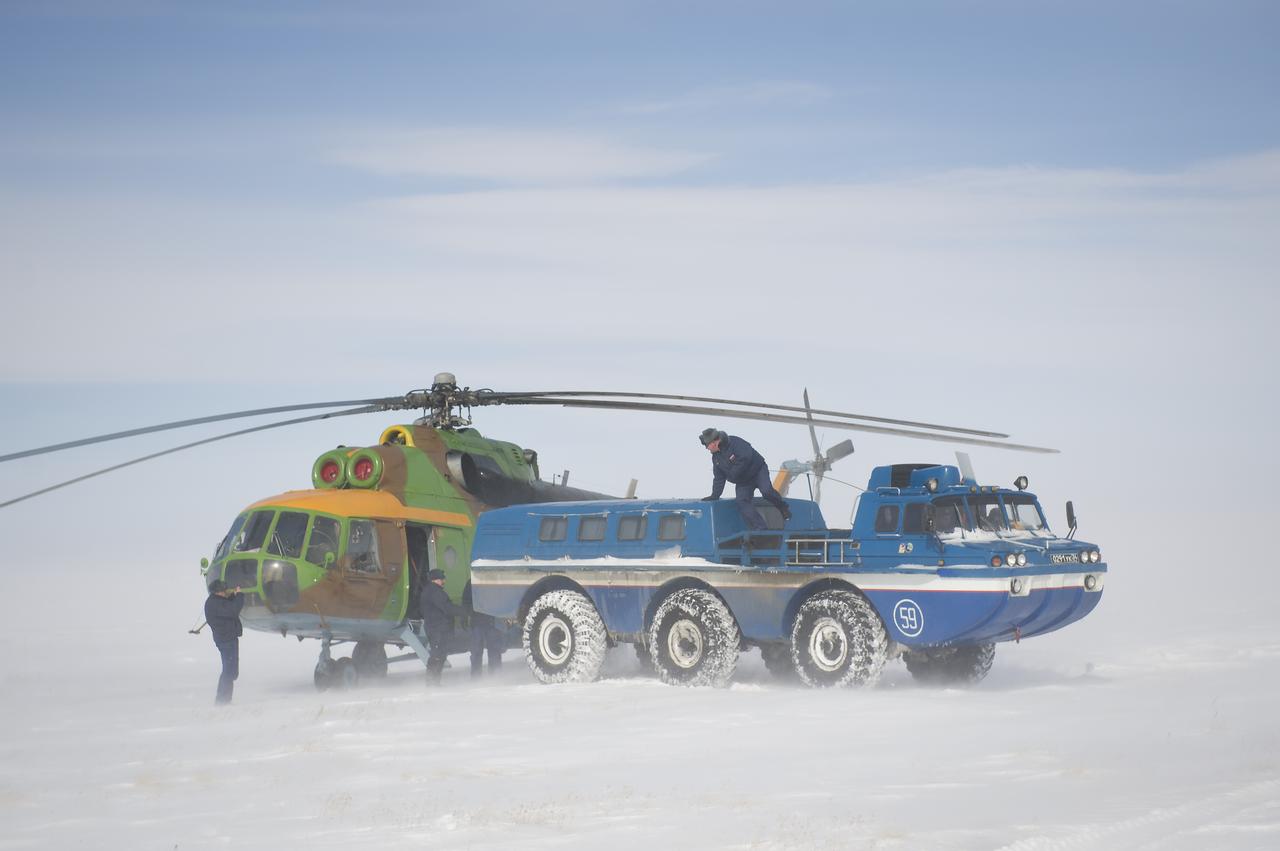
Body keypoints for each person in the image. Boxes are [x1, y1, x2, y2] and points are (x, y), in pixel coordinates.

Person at [699, 427, 792, 530]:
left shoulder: (734, 442)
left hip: (758, 471)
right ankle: (761, 528)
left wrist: (732, 474)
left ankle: (783, 507)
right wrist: (714, 495)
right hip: (743, 480)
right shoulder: (716, 458)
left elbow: (746, 458)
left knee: (766, 491)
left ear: (714, 442)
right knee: (742, 501)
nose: (707, 448)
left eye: (707, 445)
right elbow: (719, 478)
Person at [419, 568, 465, 685]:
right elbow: (447, 608)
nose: (444, 581)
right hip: (437, 628)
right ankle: (432, 682)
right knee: (437, 655)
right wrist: (465, 611)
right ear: (436, 579)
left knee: (440, 654)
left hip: (436, 627)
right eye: (442, 578)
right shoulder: (435, 592)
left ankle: (434, 681)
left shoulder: (431, 591)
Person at [204, 580, 244, 705]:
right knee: (229, 671)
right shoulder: (215, 603)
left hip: (228, 638)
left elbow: (227, 606)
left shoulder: (217, 601)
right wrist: (239, 596)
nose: (225, 592)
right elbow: (233, 610)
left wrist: (233, 596)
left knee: (231, 671)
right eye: (223, 590)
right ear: (218, 591)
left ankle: (225, 699)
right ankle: (222, 700)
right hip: (226, 640)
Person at [462, 580, 505, 677]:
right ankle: (494, 676)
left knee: (478, 651)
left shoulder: (471, 582)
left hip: (481, 622)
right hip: (489, 621)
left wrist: (465, 616)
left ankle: (479, 676)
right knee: (492, 650)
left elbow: (465, 601)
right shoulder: (493, 581)